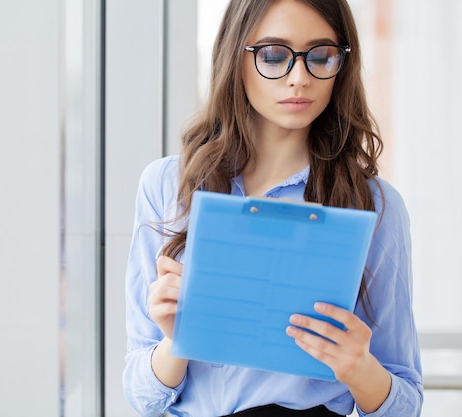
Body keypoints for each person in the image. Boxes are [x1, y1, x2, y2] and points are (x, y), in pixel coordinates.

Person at [122, 0, 423, 416]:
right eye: (274, 55)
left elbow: (405, 403)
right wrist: (178, 340)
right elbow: (141, 397)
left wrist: (359, 367)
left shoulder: (374, 204)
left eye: (320, 56)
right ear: (235, 56)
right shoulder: (167, 185)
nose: (299, 78)